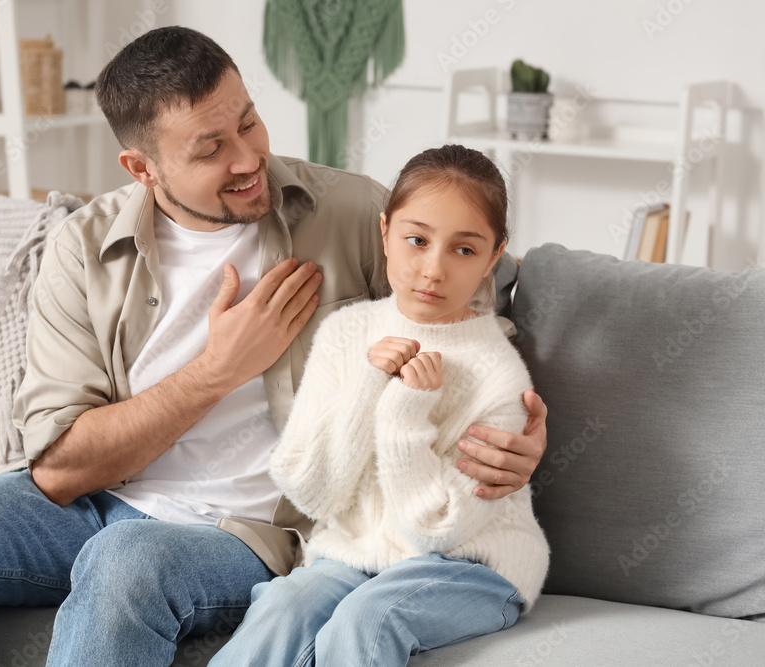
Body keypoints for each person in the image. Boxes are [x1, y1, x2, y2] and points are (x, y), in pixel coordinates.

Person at [0, 27, 548, 666]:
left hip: (257, 531)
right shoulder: (83, 249)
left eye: (247, 119)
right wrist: (216, 371)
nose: (249, 158)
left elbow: (473, 312)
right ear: (143, 167)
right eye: (209, 147)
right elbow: (61, 468)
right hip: (101, 505)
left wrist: (518, 435)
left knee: (128, 559)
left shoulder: (348, 212)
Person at [208, 145, 550, 667]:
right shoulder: (345, 334)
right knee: (284, 606)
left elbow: (436, 530)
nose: (432, 270)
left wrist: (402, 415)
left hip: (473, 566)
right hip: (353, 554)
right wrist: (368, 385)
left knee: (370, 617)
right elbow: (311, 492)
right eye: (416, 240)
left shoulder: (499, 378)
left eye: (464, 250)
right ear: (385, 231)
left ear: (493, 256)